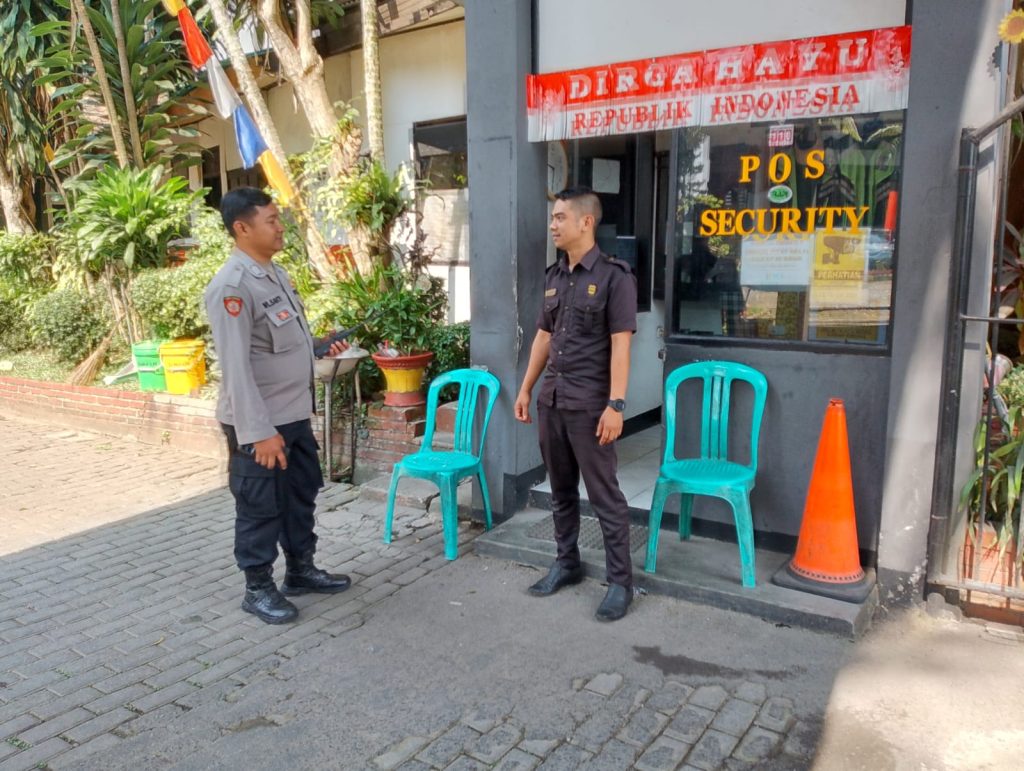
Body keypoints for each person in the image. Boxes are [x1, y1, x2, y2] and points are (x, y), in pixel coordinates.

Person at [205, 188, 351, 625]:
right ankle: (258, 589)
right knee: (260, 506)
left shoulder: (275, 274)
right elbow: (235, 367)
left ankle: (301, 571)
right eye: (271, 220)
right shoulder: (231, 287)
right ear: (242, 228)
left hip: (292, 416)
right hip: (261, 425)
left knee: (299, 496)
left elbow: (281, 343)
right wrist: (257, 432)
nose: (280, 225)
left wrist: (320, 346)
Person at [514, 186, 638, 621]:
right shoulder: (554, 277)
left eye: (561, 217)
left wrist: (616, 404)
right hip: (552, 400)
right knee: (560, 490)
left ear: (586, 222)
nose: (553, 224)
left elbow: (620, 345)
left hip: (590, 406)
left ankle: (621, 582)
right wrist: (527, 388)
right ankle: (567, 562)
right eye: (553, 217)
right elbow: (544, 338)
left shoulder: (615, 277)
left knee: (605, 495)